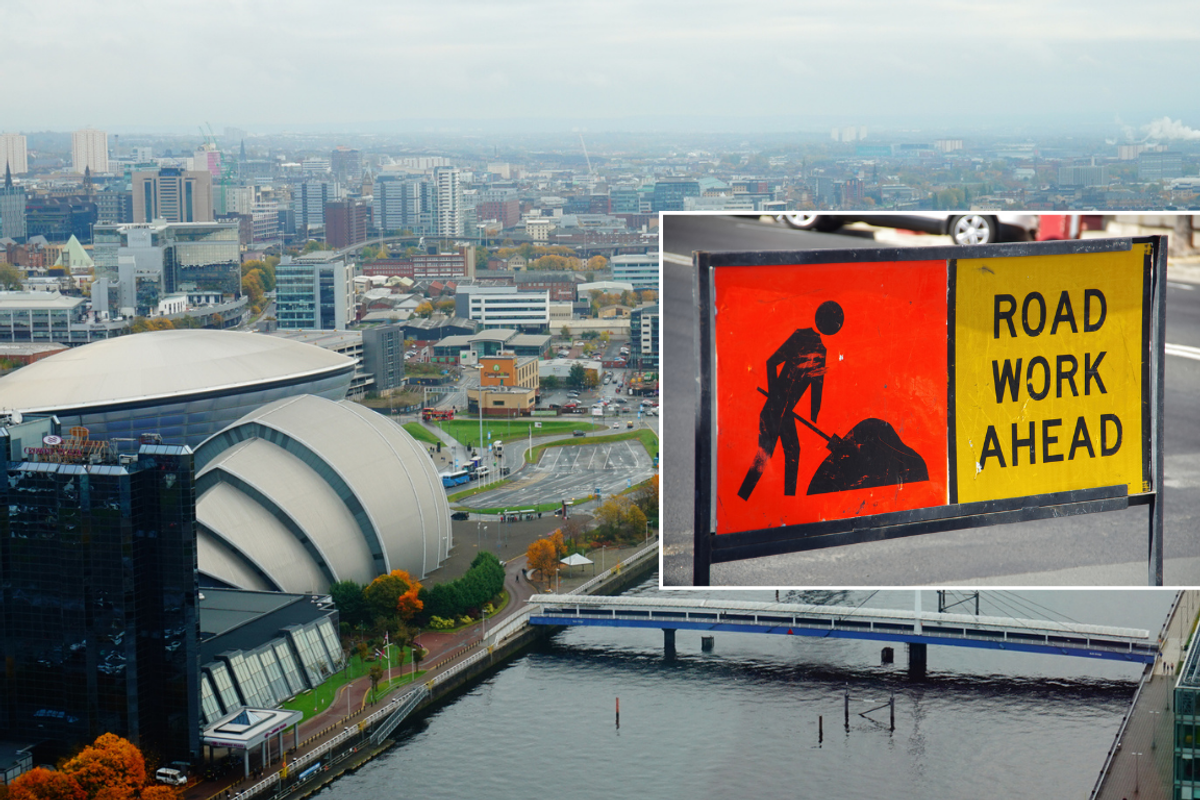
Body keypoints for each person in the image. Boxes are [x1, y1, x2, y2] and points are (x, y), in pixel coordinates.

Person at [739, 301, 843, 500]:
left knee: (792, 453)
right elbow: (772, 362)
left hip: (786, 413)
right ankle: (746, 495)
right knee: (765, 454)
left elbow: (817, 391)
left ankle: (789, 500)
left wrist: (814, 416)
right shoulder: (800, 337)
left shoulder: (821, 352)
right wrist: (774, 394)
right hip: (773, 410)